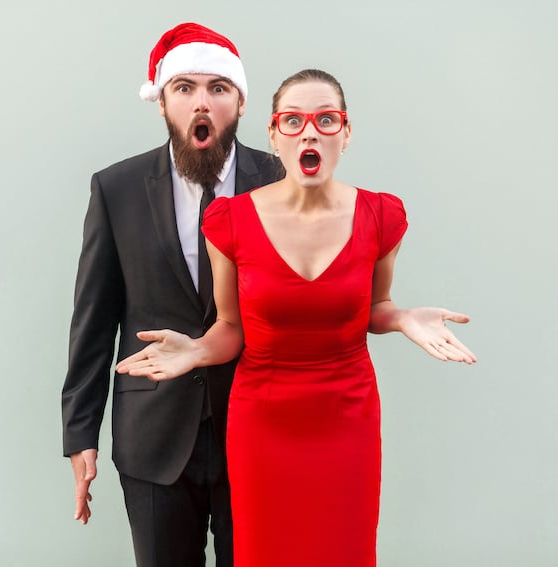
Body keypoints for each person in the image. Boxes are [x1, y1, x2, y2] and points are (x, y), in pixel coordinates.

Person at [116, 69, 477, 566]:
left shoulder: (380, 217)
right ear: (274, 134)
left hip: (346, 419)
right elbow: (230, 327)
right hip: (262, 422)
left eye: (326, 120)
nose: (310, 132)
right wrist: (197, 350)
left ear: (345, 133)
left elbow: (375, 306)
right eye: (294, 120)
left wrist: (404, 318)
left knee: (342, 550)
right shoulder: (231, 221)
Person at [61, 22, 282, 567]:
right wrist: (80, 432)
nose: (201, 102)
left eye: (218, 88)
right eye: (184, 88)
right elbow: (94, 318)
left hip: (259, 432)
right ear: (162, 102)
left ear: (240, 102)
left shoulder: (280, 181)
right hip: (153, 438)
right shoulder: (116, 188)